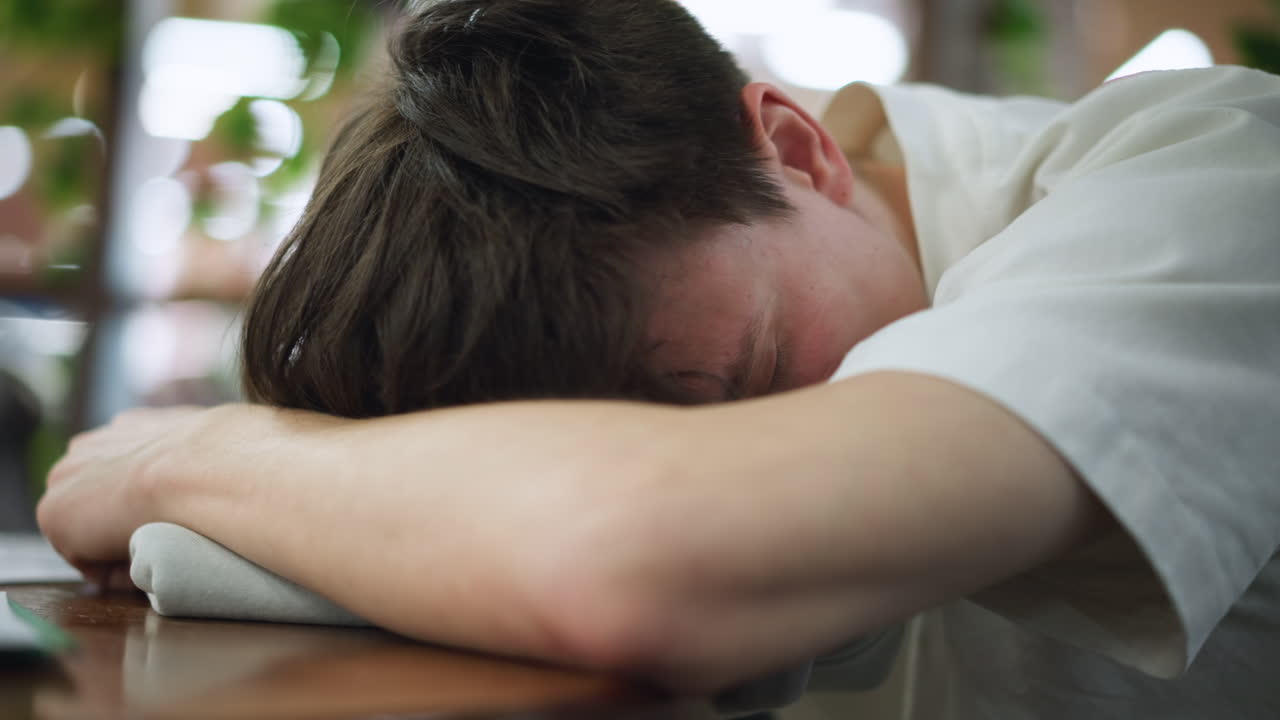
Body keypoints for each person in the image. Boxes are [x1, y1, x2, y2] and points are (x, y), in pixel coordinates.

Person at [37, 0, 1280, 717]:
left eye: (740, 380)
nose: (742, 446)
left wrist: (207, 448)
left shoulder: (1214, 181)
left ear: (793, 153)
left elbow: (638, 560)